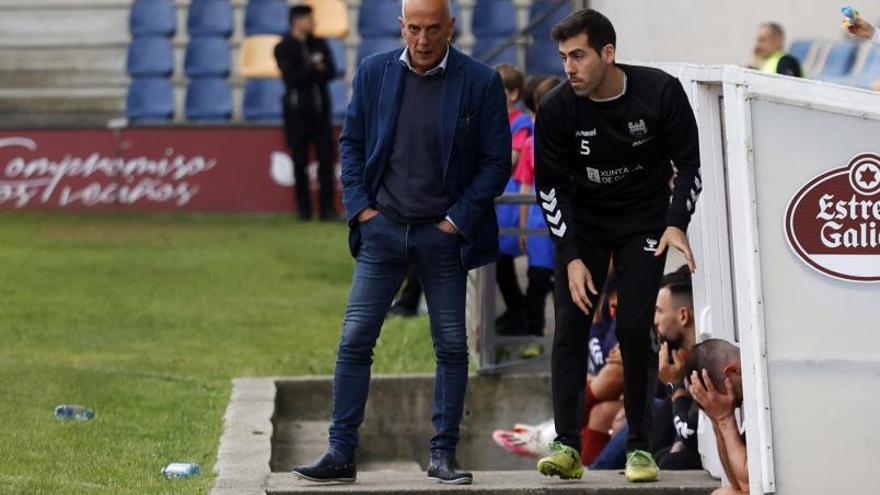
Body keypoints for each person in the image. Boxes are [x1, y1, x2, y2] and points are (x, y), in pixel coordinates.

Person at [290, 0, 511, 485]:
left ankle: (443, 454)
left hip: (443, 235)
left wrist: (456, 220)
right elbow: (351, 144)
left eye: (434, 29)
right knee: (354, 340)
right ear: (401, 27)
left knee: (452, 347)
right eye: (414, 29)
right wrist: (363, 211)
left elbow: (497, 162)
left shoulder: (480, 82)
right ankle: (340, 452)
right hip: (383, 230)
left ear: (451, 27)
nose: (424, 39)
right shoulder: (374, 73)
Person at [533, 8, 702, 483]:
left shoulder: (660, 92)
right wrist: (568, 256)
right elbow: (551, 189)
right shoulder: (557, 107)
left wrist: (676, 222)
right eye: (564, 57)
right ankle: (567, 445)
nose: (569, 67)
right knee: (570, 323)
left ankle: (640, 449)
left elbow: (689, 165)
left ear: (608, 53)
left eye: (579, 55)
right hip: (584, 225)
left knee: (632, 327)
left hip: (643, 223)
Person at [274, 5, 338, 221]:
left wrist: (306, 71)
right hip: (296, 115)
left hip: (320, 113)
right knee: (299, 162)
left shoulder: (319, 43)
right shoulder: (283, 47)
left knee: (326, 161)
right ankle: (303, 211)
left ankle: (327, 210)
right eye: (309, 19)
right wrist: (312, 68)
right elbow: (290, 79)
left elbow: (330, 71)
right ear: (297, 21)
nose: (313, 23)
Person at [513, 76, 560, 336]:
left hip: (569, 229)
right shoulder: (532, 144)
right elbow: (523, 187)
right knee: (538, 282)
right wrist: (522, 229)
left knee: (565, 287)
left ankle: (568, 340)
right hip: (538, 226)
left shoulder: (577, 141)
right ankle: (534, 334)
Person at [494, 64, 532, 335]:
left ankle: (520, 313)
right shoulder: (493, 120)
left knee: (502, 259)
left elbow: (513, 158)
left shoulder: (520, 122)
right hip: (497, 196)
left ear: (514, 93)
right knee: (499, 262)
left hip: (510, 197)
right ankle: (516, 311)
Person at [654, 266, 702, 470]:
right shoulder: (686, 359)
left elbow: (690, 434)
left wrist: (674, 386)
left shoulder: (707, 361)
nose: (655, 321)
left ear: (683, 316)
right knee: (662, 455)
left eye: (659, 311)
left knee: (672, 461)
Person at [686, 339, 747, 495]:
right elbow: (735, 480)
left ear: (732, 372)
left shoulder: (769, 394)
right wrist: (716, 419)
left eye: (716, 395)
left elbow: (750, 481)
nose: (716, 402)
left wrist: (724, 418)